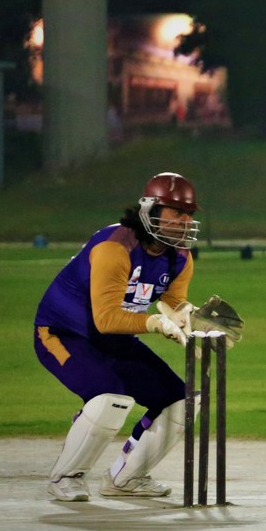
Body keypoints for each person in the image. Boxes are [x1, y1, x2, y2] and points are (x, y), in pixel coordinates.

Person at [35, 171, 204, 502]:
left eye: (188, 214)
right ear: (151, 210)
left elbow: (172, 302)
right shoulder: (115, 247)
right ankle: (66, 476)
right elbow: (106, 319)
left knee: (180, 402)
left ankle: (125, 477)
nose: (185, 221)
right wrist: (155, 323)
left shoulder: (180, 257)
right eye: (176, 212)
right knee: (109, 398)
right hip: (63, 332)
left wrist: (189, 317)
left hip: (114, 339)